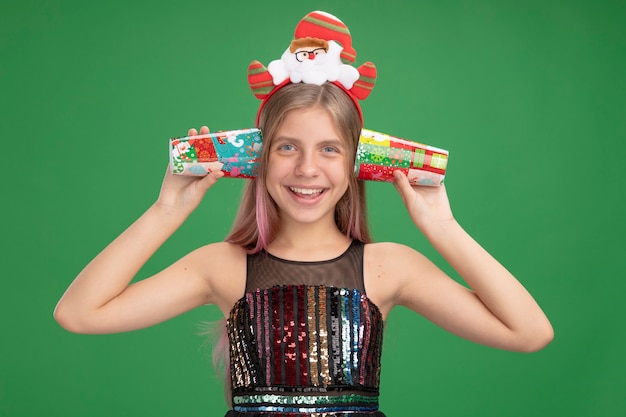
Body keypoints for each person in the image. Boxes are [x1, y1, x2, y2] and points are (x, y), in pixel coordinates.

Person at [54, 11, 553, 416]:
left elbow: (529, 332)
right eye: (287, 147)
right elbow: (78, 314)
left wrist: (442, 228)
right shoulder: (221, 266)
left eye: (330, 150)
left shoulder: (389, 267)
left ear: (356, 163)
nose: (308, 169)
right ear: (259, 158)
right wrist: (166, 210)